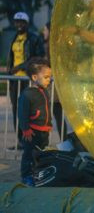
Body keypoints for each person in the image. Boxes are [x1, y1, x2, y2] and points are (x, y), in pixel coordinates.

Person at [7, 12, 45, 148]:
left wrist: (20, 67)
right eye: (17, 21)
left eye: (22, 22)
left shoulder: (34, 38)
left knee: (27, 111)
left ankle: (30, 142)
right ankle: (20, 142)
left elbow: (38, 57)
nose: (19, 24)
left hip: (27, 79)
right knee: (16, 110)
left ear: (27, 24)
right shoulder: (14, 38)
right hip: (14, 80)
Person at [18, 57, 52, 186]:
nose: (49, 80)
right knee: (29, 156)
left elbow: (46, 110)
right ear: (34, 77)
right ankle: (26, 176)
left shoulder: (44, 91)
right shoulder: (27, 94)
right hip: (32, 132)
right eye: (46, 77)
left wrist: (49, 125)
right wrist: (25, 129)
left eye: (50, 77)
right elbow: (22, 114)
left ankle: (38, 175)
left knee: (41, 155)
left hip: (44, 132)